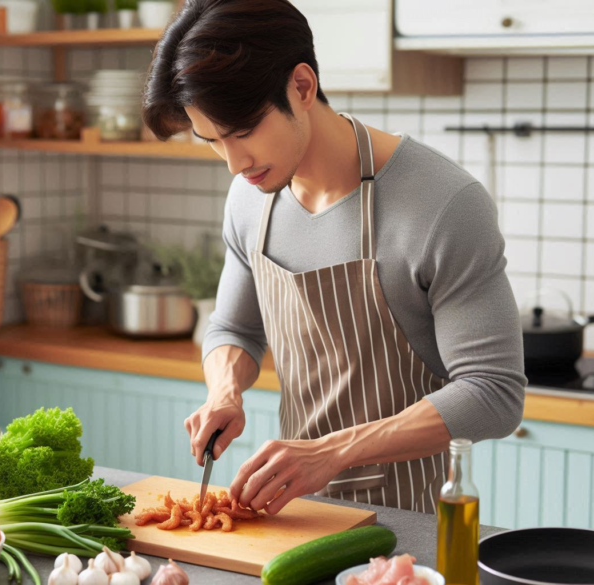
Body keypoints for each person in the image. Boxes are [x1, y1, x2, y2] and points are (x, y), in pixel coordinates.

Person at [142, 0, 526, 515]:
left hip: (407, 525)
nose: (234, 164)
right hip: (291, 516)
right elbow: (234, 328)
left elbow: (493, 393)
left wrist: (331, 452)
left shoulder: (445, 204)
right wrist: (225, 390)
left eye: (243, 132)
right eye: (212, 141)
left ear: (301, 87)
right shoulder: (250, 196)